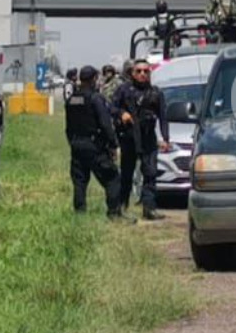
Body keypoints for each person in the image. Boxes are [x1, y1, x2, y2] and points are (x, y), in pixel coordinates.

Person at [112, 59, 171, 219]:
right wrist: (121, 114)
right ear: (132, 73)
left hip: (148, 138)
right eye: (138, 71)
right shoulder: (124, 90)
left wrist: (166, 138)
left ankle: (149, 209)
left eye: (146, 71)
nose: (142, 74)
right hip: (129, 138)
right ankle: (121, 207)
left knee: (150, 173)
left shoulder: (155, 93)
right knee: (126, 174)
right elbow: (111, 107)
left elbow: (163, 117)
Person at [64, 66, 122, 217]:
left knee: (80, 181)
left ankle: (80, 213)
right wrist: (113, 144)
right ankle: (114, 213)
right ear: (94, 79)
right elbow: (105, 124)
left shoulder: (71, 100)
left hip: (77, 145)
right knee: (112, 177)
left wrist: (73, 142)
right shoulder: (95, 98)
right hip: (94, 146)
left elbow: (68, 127)